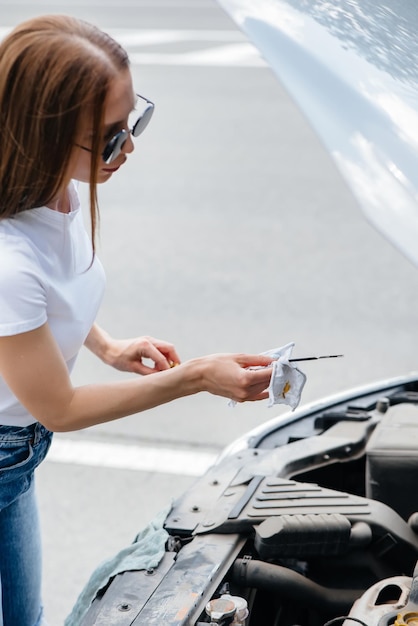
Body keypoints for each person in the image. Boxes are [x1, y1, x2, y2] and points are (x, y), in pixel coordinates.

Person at [0, 14, 274, 626]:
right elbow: (60, 409)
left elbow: (45, 299)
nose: (128, 147)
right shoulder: (8, 259)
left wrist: (105, 345)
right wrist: (197, 376)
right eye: (109, 136)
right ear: (38, 134)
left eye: (132, 122)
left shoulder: (54, 191)